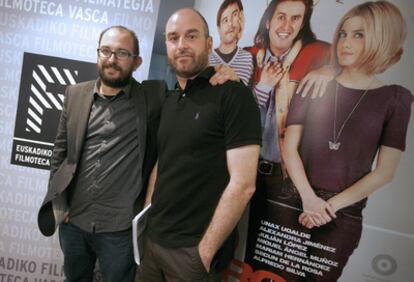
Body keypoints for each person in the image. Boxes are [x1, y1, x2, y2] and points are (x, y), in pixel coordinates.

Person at [37, 25, 237, 282]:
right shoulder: (75, 94)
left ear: (136, 61)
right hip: (74, 222)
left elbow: (192, 93)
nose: (111, 59)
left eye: (122, 53)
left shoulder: (153, 96)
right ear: (98, 54)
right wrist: (60, 203)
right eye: (106, 51)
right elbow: (60, 154)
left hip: (120, 230)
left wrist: (224, 75)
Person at [283, 1, 412, 280]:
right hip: (293, 200)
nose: (345, 42)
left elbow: (385, 172)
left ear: (382, 38)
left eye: (359, 35)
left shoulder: (396, 98)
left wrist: (327, 207)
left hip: (343, 216)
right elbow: (289, 146)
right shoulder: (313, 82)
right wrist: (308, 198)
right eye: (343, 33)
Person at [138, 8, 262, 281]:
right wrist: (148, 219)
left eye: (191, 36)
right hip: (153, 244)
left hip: (192, 255)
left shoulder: (233, 95)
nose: (181, 44)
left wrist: (203, 253)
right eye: (173, 38)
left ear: (209, 44)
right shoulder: (169, 100)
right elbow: (163, 161)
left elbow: (244, 185)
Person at [243, 0, 331, 278]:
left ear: (303, 23)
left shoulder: (319, 54)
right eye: (281, 17)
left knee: (278, 261)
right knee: (235, 252)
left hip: (283, 178)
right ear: (268, 21)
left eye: (295, 19)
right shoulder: (246, 57)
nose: (287, 26)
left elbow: (357, 62)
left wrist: (330, 70)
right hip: (240, 171)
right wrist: (262, 87)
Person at [209, 0, 254, 86]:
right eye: (225, 20)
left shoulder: (248, 58)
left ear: (241, 19)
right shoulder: (207, 59)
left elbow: (250, 97)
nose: (230, 23)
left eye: (234, 15)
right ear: (219, 28)